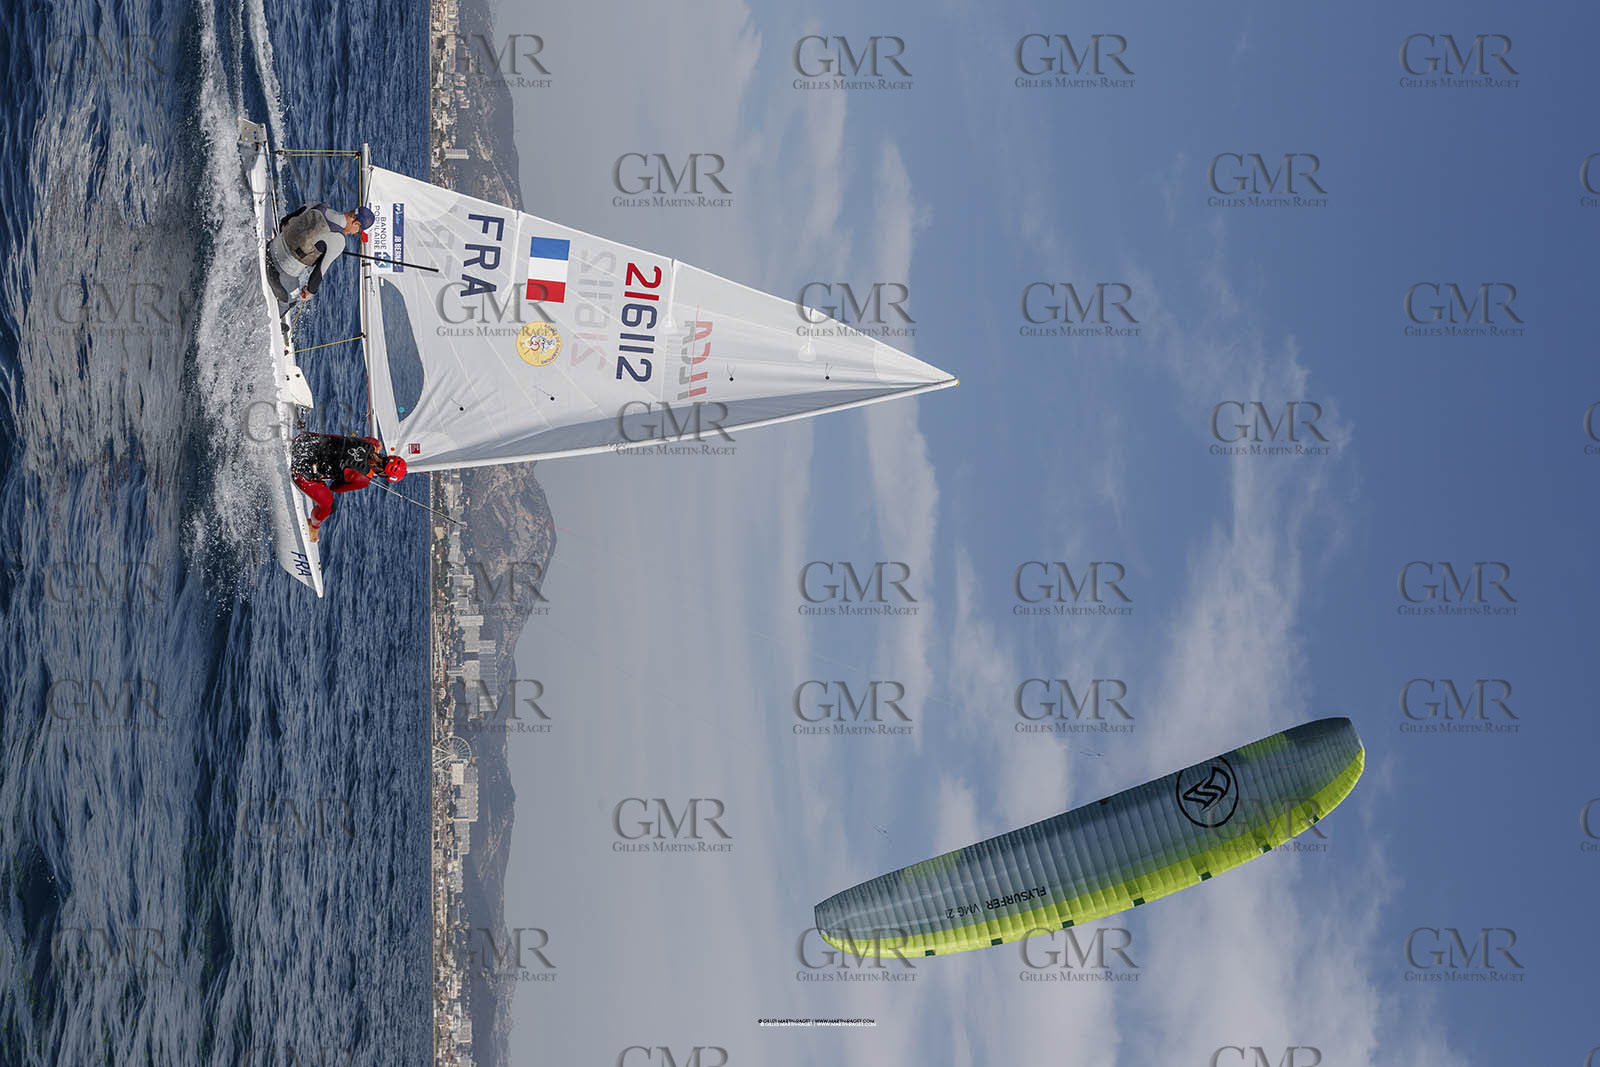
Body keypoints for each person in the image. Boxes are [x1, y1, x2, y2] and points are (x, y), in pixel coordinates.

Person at [290, 432, 406, 542]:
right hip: (301, 471)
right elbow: (335, 488)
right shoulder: (364, 479)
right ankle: (313, 526)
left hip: (303, 440)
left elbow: (375, 443)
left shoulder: (371, 443)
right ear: (383, 474)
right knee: (330, 507)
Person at [267, 204, 375, 308]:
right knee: (292, 300)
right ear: (356, 224)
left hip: (271, 246)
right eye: (358, 233)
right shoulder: (339, 240)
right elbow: (318, 273)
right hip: (279, 270)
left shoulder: (319, 205)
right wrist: (310, 292)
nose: (354, 234)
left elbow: (284, 222)